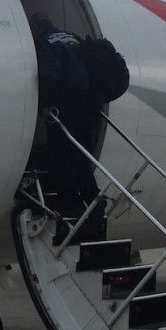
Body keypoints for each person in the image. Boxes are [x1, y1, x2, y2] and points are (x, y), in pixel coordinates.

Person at [28, 12, 103, 218]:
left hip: (66, 107)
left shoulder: (44, 42)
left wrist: (46, 104)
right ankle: (94, 201)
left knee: (59, 156)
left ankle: (70, 204)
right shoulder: (73, 38)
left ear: (35, 28)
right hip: (90, 106)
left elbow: (50, 74)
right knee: (81, 156)